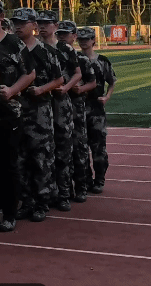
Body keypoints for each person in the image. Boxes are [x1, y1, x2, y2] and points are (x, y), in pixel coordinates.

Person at [0, 0, 35, 233]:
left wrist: (12, 90)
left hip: (7, 113)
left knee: (8, 164)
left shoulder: (13, 43)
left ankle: (9, 213)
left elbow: (29, 73)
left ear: (0, 16)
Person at [11, 8, 62, 223]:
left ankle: (42, 202)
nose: (18, 27)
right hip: (16, 110)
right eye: (15, 23)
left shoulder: (45, 52)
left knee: (41, 157)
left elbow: (59, 79)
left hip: (39, 110)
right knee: (20, 159)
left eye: (23, 23)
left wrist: (42, 89)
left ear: (33, 25)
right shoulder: (12, 49)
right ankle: (27, 202)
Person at [37, 10, 79, 212]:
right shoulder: (33, 47)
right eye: (39, 23)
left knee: (63, 150)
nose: (42, 27)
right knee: (43, 152)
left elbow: (77, 73)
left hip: (60, 102)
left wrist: (67, 87)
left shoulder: (65, 48)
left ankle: (64, 194)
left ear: (55, 25)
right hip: (40, 103)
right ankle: (46, 194)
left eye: (46, 23)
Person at [55, 21, 96, 203]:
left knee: (79, 148)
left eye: (66, 34)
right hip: (59, 105)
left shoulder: (81, 59)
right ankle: (64, 189)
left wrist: (80, 89)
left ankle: (82, 186)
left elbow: (92, 82)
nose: (62, 37)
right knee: (62, 150)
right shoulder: (55, 54)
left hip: (76, 107)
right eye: (60, 33)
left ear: (74, 36)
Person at [77, 27, 115, 194]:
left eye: (87, 39)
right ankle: (86, 180)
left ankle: (99, 179)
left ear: (93, 40)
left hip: (96, 109)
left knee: (98, 147)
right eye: (81, 39)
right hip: (79, 108)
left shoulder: (102, 61)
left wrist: (107, 97)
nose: (83, 42)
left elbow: (111, 81)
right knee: (80, 148)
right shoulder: (75, 59)